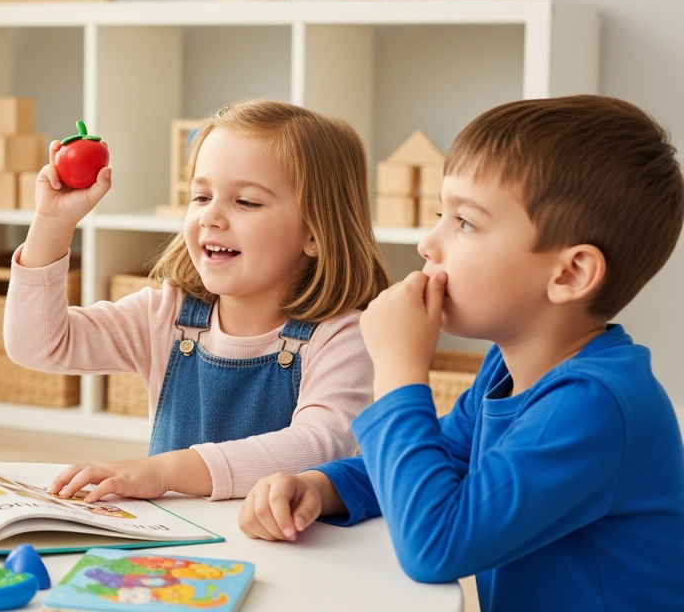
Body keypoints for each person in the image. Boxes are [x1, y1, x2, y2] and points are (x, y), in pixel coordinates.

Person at [239, 96, 684, 611]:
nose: (429, 243)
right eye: (438, 214)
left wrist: (400, 367)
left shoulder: (595, 406)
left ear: (570, 274)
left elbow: (437, 544)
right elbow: (445, 459)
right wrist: (320, 486)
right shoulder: (509, 366)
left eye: (465, 223)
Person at [6, 99, 387, 501]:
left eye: (246, 202)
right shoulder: (165, 314)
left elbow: (317, 446)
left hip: (284, 546)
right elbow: (39, 346)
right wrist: (52, 224)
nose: (211, 217)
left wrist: (164, 471)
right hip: (176, 539)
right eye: (202, 197)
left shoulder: (341, 336)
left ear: (314, 233)